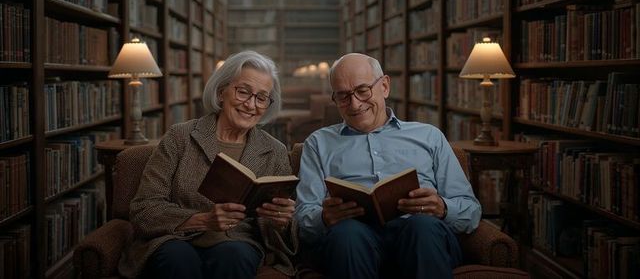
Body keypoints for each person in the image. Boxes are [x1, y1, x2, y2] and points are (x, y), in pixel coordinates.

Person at [294, 53, 481, 279]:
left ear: (384, 86)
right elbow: (303, 219)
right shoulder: (318, 143)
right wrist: (324, 218)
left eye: (363, 90)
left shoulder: (429, 136)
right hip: (353, 241)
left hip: (420, 237)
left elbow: (470, 211)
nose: (355, 104)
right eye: (343, 96)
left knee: (422, 227)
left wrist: (442, 207)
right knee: (346, 233)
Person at [119, 51, 298, 279]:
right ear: (221, 91)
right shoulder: (180, 137)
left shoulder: (275, 151)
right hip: (175, 239)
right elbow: (144, 208)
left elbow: (283, 235)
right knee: (178, 259)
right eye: (243, 91)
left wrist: (280, 221)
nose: (251, 104)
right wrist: (203, 220)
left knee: (234, 256)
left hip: (237, 242)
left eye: (261, 97)